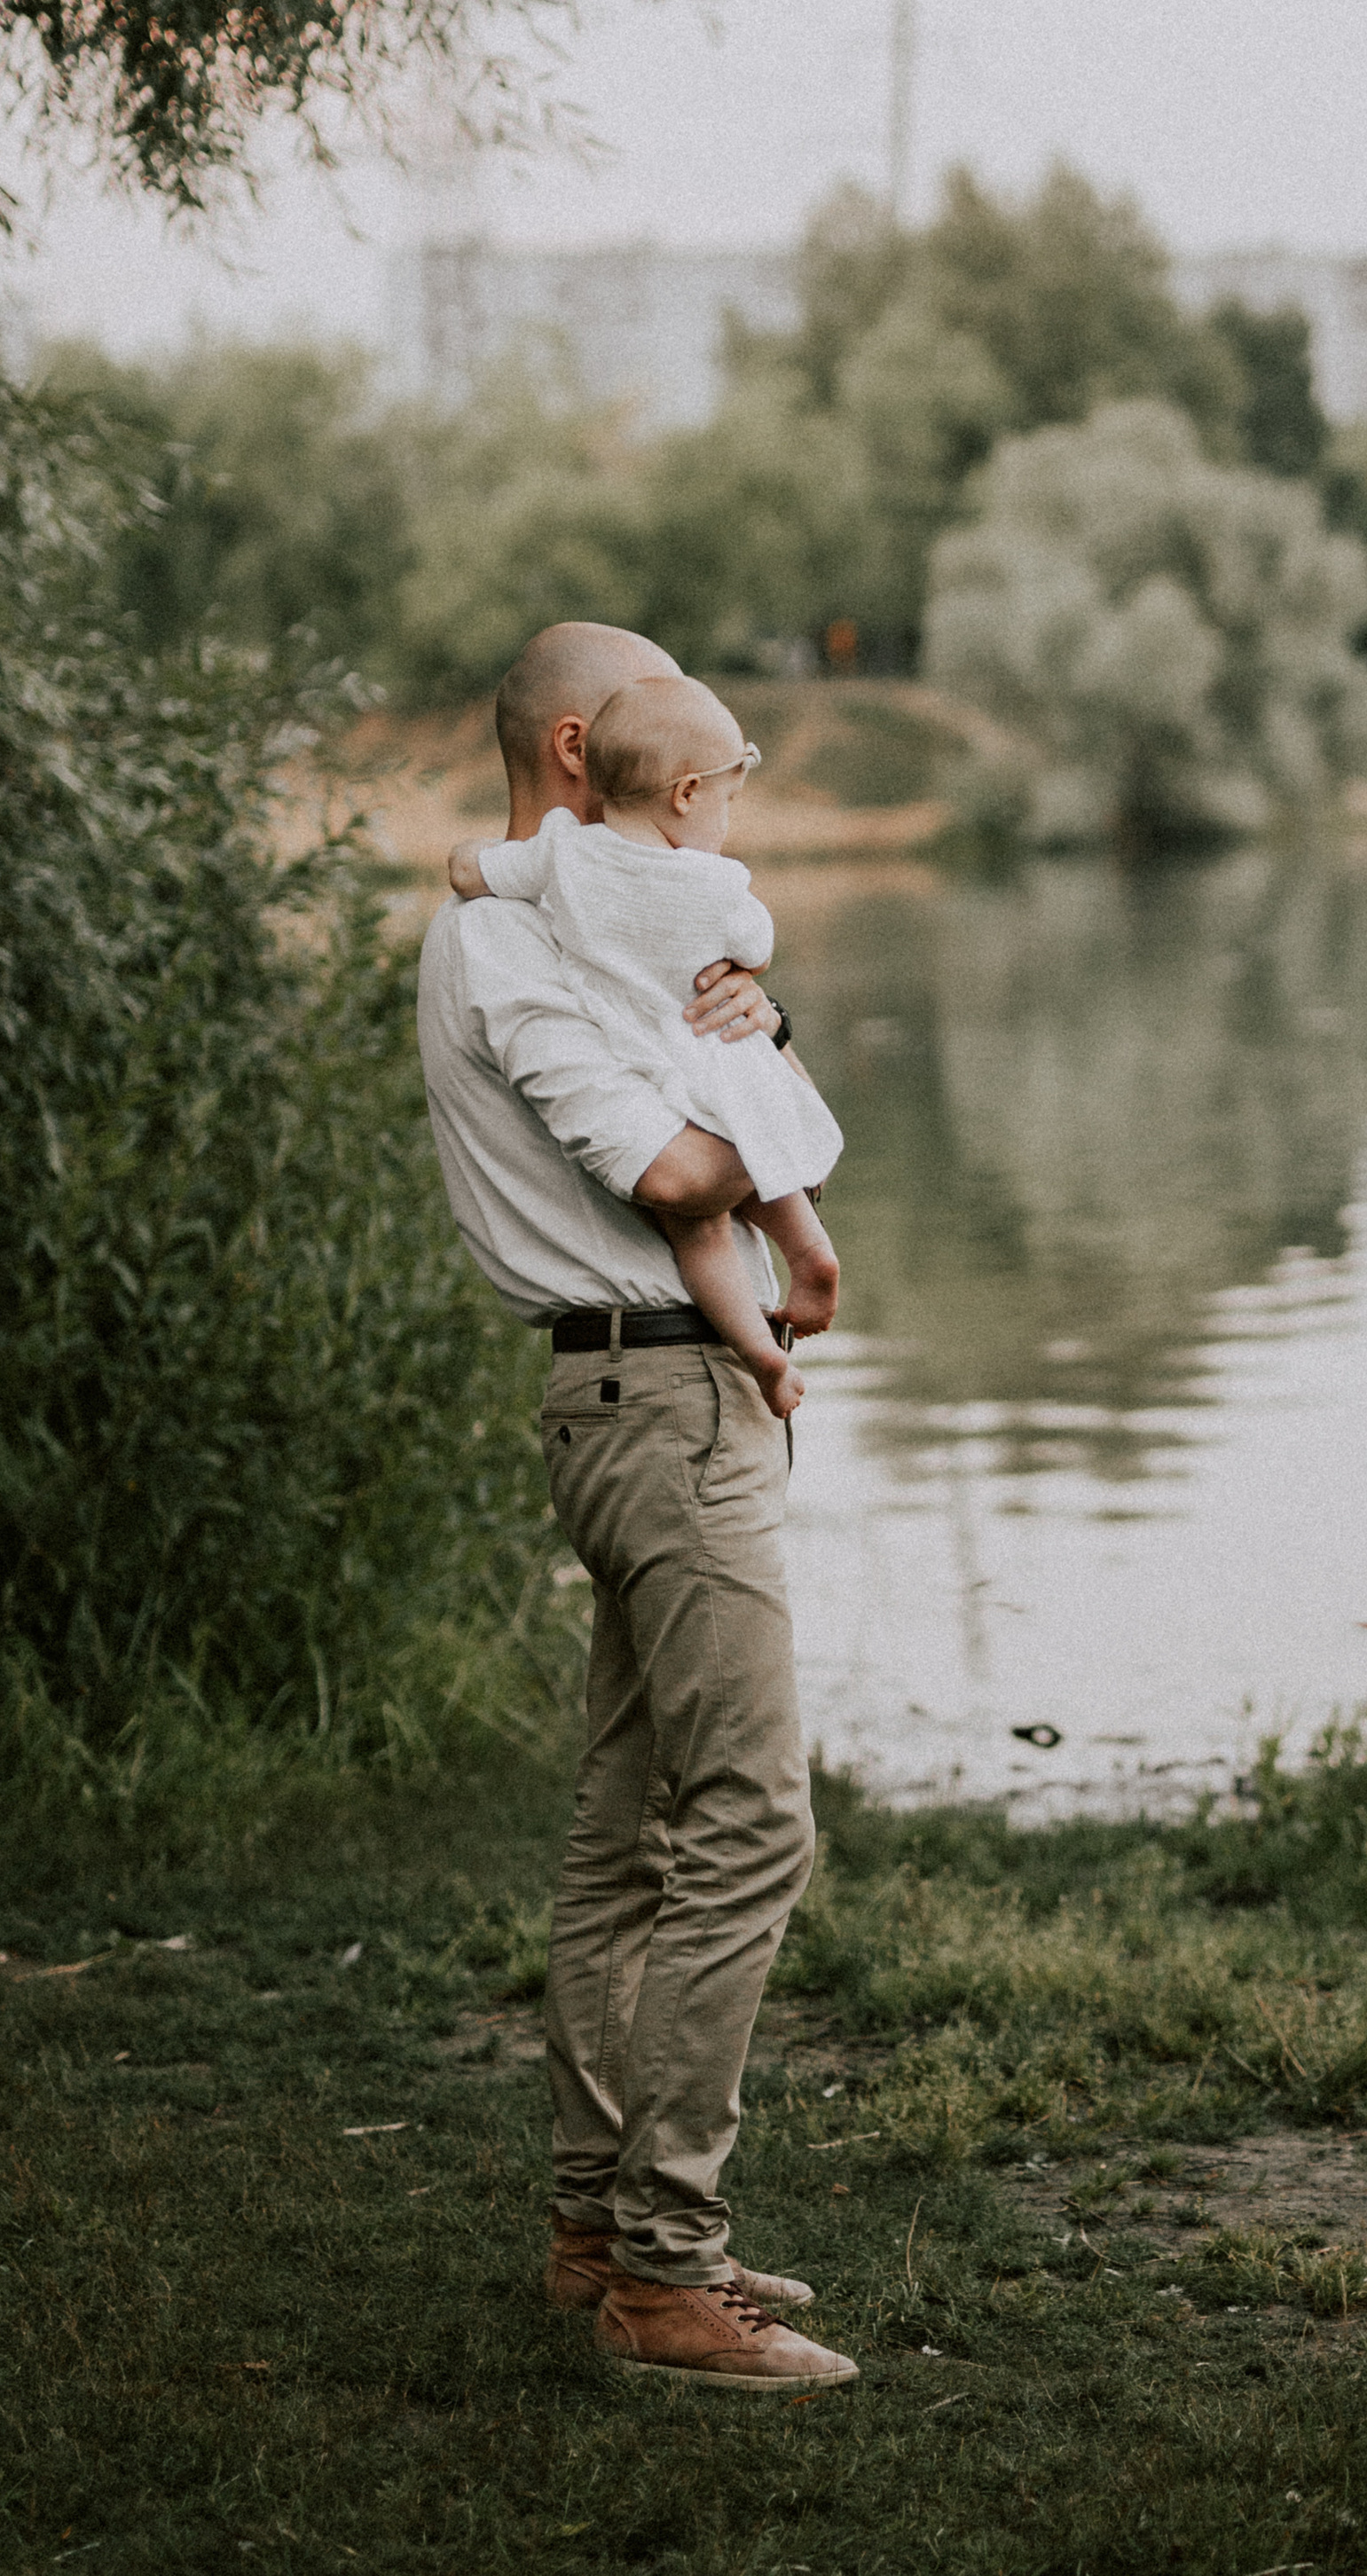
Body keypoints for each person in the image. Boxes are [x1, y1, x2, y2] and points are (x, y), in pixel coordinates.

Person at [416, 618, 858, 2393]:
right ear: (587, 742)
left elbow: (692, 1044)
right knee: (751, 1820)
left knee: (627, 1832)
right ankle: (668, 2273)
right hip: (657, 1400)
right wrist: (782, 1124)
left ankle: (597, 2223)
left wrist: (758, 1022)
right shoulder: (502, 944)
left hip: (653, 1387)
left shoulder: (588, 921)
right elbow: (670, 1166)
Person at [447, 672, 843, 1427]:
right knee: (723, 1181)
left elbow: (477, 870)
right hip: (713, 1062)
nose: (729, 822)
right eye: (727, 801)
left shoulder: (559, 858)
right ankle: (811, 1258)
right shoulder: (713, 881)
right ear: (688, 795)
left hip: (652, 1064)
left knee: (704, 1238)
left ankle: (763, 1354)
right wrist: (742, 975)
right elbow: (753, 942)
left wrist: (465, 859)